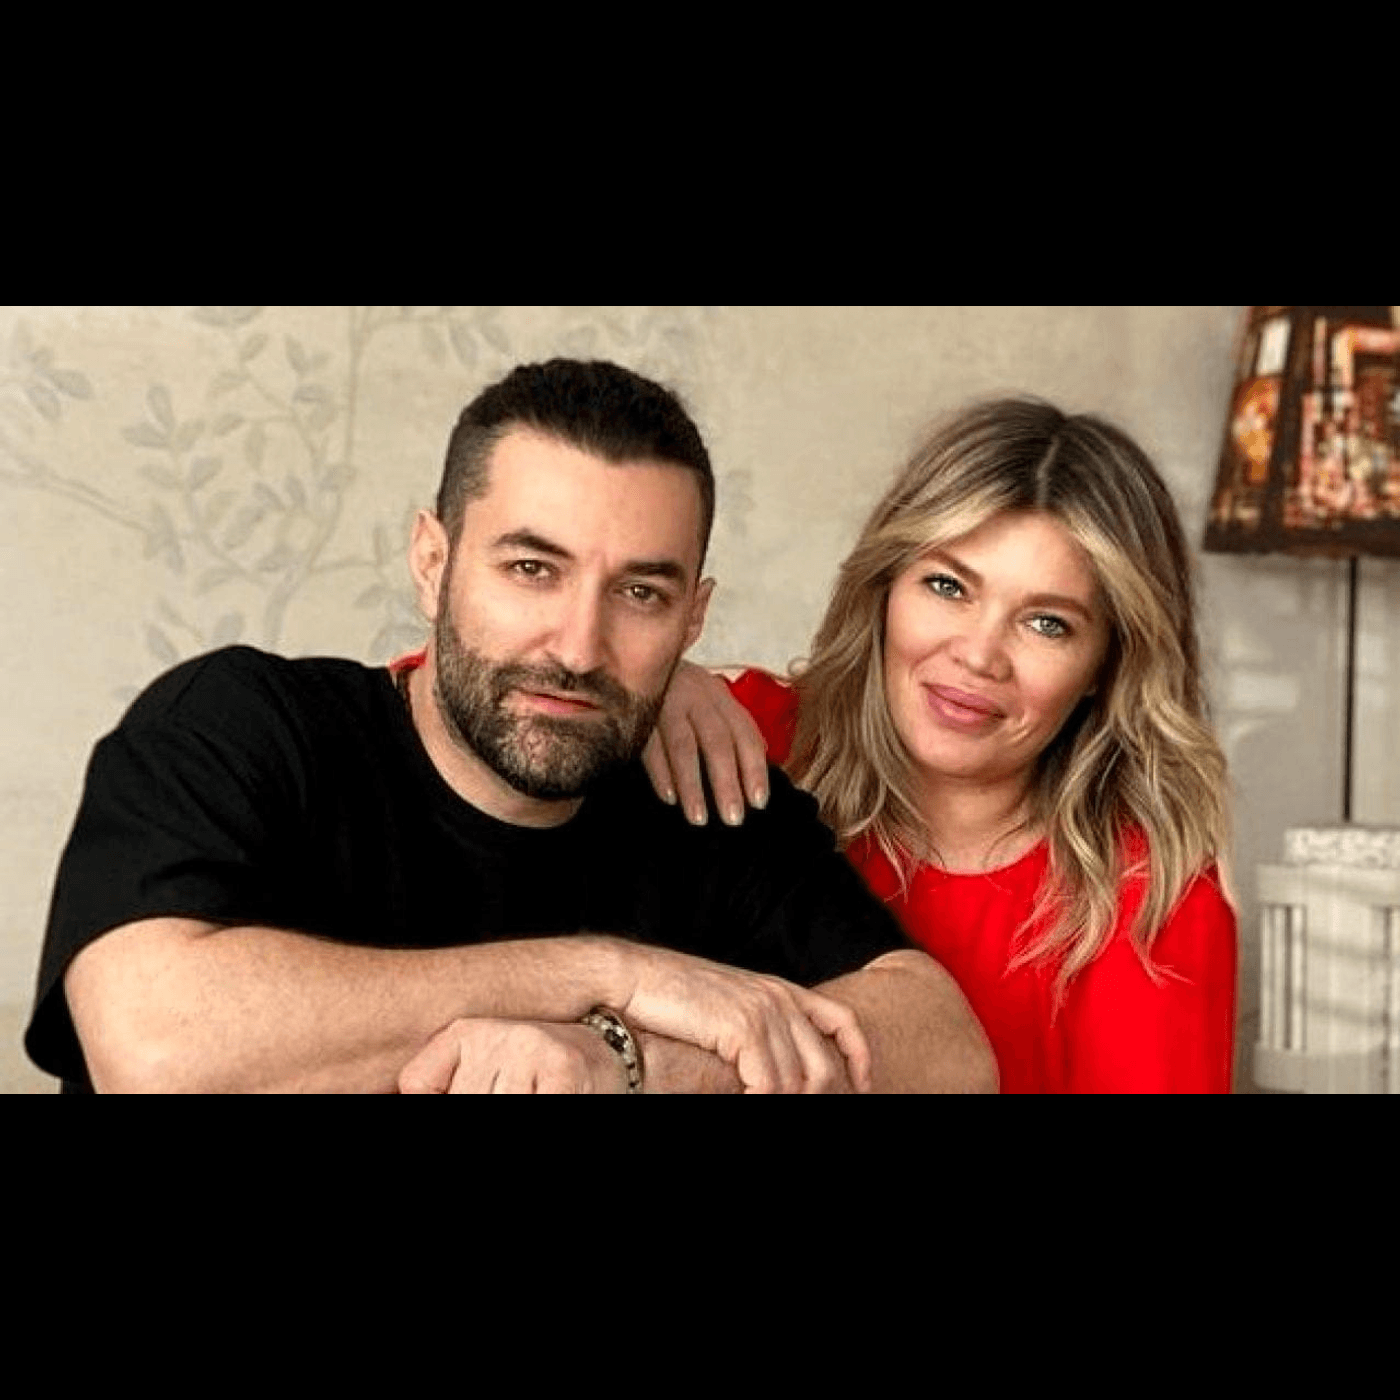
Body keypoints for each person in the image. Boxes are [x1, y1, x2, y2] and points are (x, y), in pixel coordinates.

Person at [24, 358, 995, 1094]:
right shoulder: (246, 726)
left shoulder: (703, 797)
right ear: (431, 561)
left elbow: (947, 1051)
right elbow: (153, 1048)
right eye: (532, 568)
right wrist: (610, 975)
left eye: (640, 593)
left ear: (692, 618)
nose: (577, 646)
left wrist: (631, 1060)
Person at [644, 396, 1238, 1093]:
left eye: (1047, 623)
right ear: (885, 587)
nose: (979, 655)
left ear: (1106, 667)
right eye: (948, 585)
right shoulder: (741, 738)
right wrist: (649, 682)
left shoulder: (1145, 900)